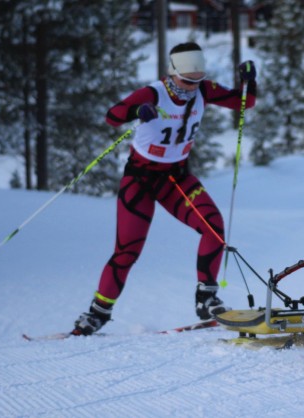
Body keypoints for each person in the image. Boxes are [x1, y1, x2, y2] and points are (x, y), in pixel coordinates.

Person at [73, 42, 257, 335]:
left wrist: (249, 81)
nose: (191, 88)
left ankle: (206, 298)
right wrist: (137, 110)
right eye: (186, 81)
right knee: (127, 250)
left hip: (176, 177)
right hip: (141, 179)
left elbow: (245, 102)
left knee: (213, 227)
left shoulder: (204, 89)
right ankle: (97, 313)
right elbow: (112, 116)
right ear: (172, 73)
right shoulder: (153, 93)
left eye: (197, 81)